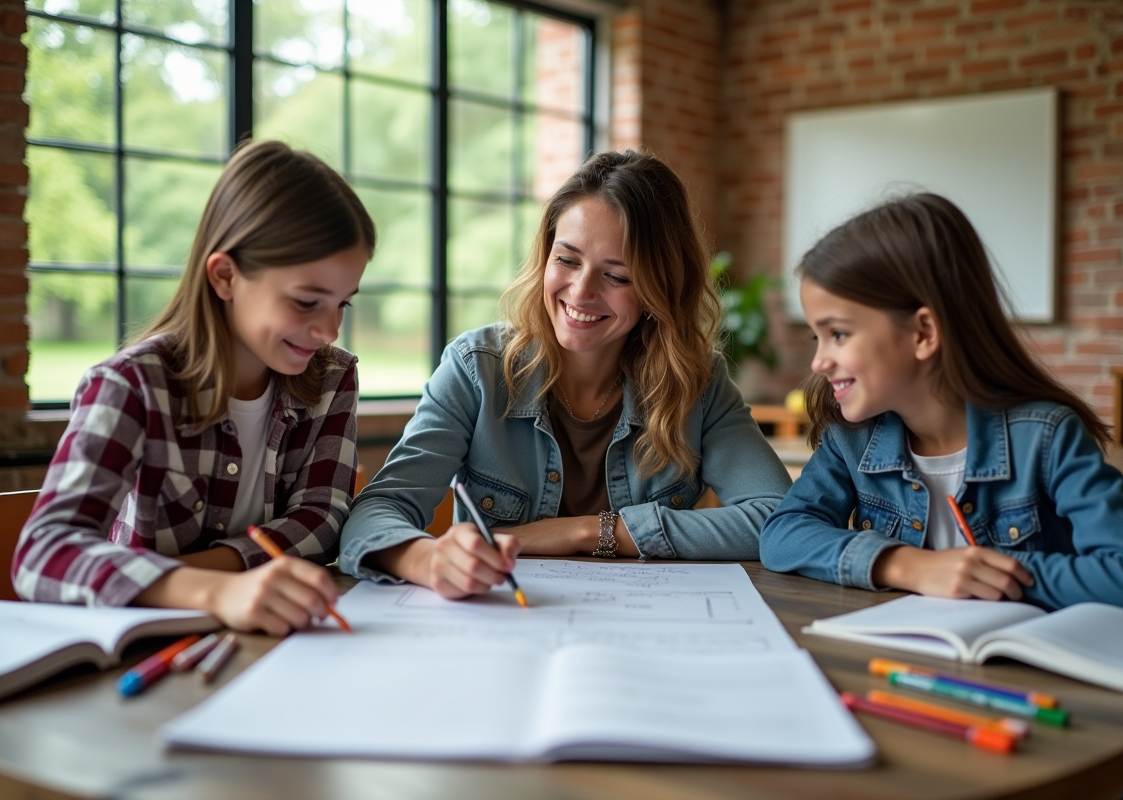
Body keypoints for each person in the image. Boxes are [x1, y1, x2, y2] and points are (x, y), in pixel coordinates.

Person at [339, 149, 791, 597]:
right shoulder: (477, 368)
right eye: (567, 260)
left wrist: (583, 532)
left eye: (616, 276)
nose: (580, 291)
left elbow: (777, 518)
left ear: (661, 288)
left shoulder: (698, 382)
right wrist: (428, 558)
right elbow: (375, 513)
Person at [13, 140, 376, 634]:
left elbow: (324, 517)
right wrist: (217, 591)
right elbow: (43, 553)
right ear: (226, 276)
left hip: (271, 638)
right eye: (307, 301)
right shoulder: (132, 385)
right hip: (144, 647)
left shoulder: (334, 378)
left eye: (343, 304)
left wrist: (220, 576)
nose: (330, 331)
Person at [760, 193, 1123, 617]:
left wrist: (985, 574)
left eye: (839, 334)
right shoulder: (851, 439)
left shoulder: (1046, 436)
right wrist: (907, 565)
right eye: (817, 337)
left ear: (923, 332)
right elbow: (782, 535)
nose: (818, 361)